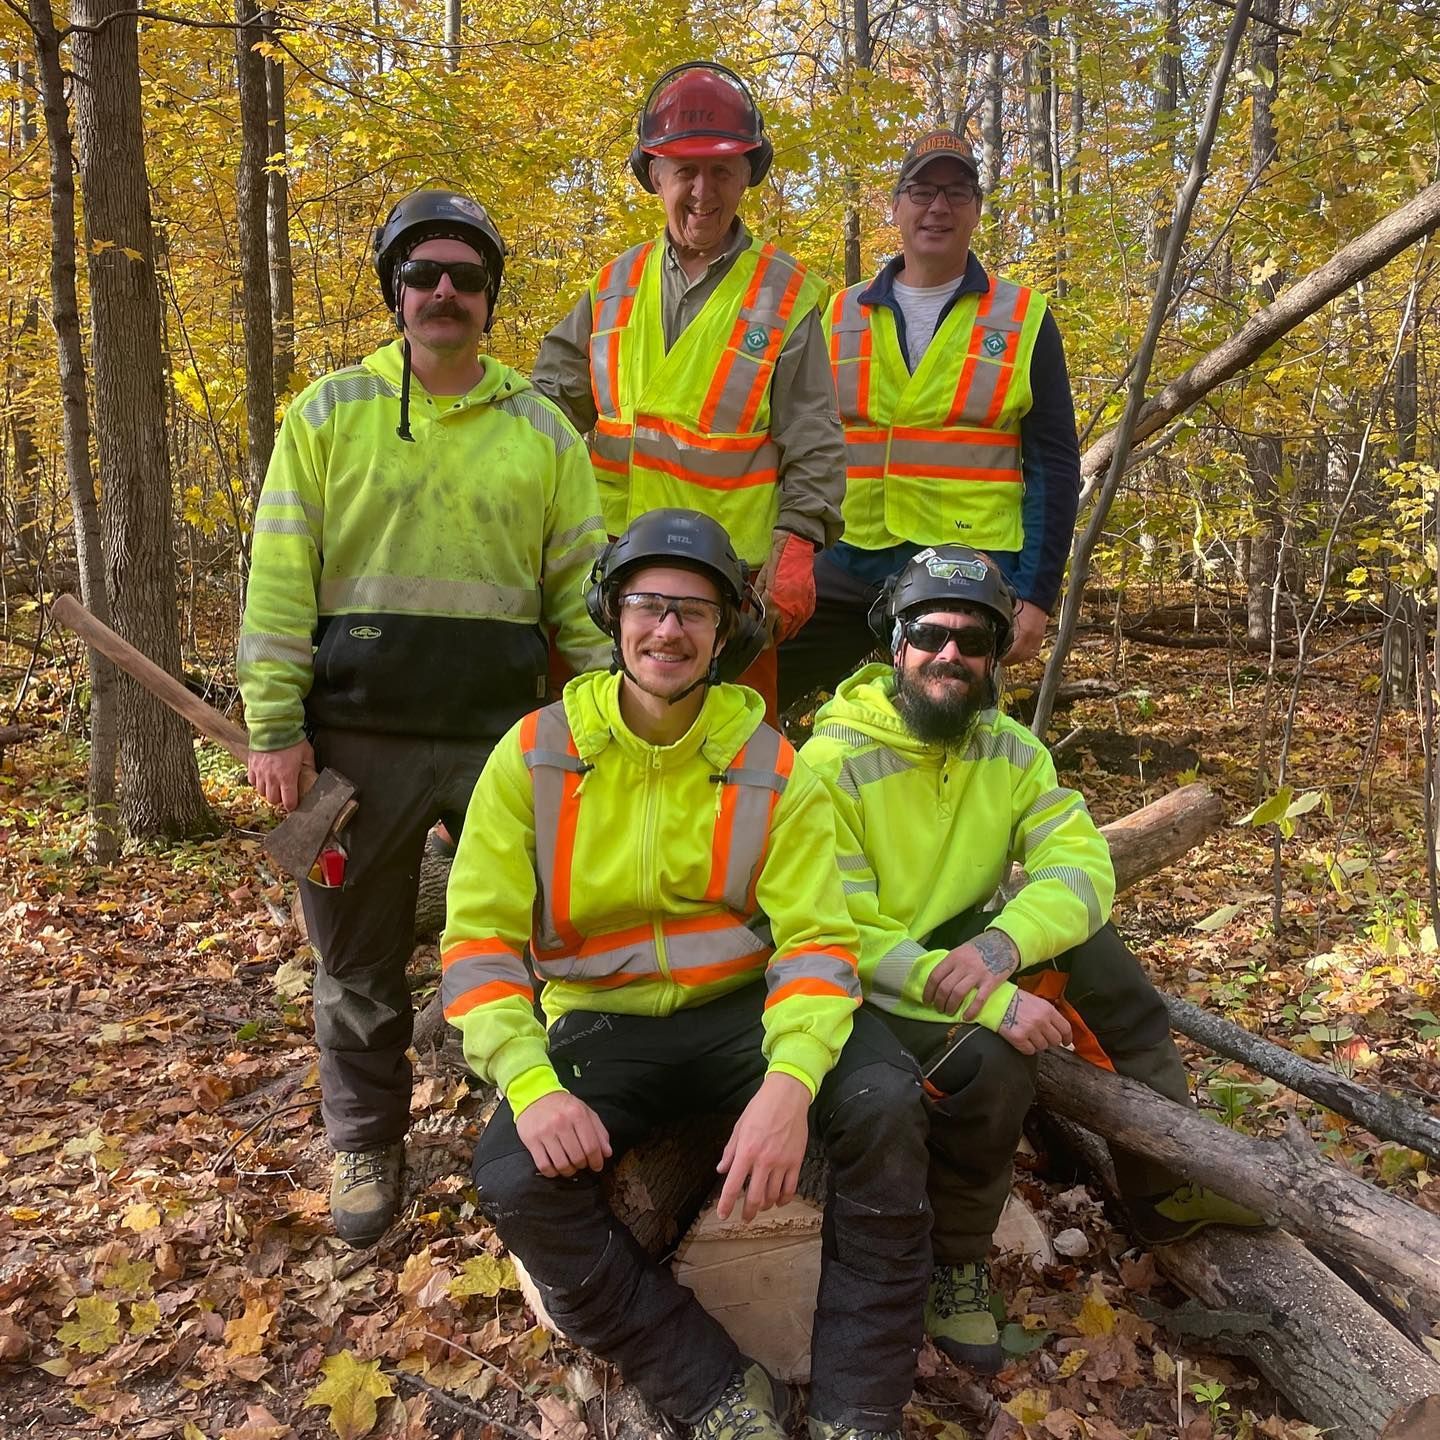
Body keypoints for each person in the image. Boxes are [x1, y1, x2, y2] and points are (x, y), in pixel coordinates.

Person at [442, 509, 932, 1440]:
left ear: (725, 632)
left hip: (744, 1013)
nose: (668, 629)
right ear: (612, 614)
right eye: (648, 606)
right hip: (602, 1023)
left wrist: (789, 1088)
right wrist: (530, 1080)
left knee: (883, 1100)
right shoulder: (536, 753)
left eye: (694, 613)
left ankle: (857, 1407)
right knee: (512, 1178)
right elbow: (477, 944)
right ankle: (707, 1386)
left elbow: (820, 944)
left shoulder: (771, 765)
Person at [238, 188, 609, 1247]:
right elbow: (277, 584)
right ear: (393, 289)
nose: (444, 292)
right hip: (355, 746)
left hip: (506, 741)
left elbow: (582, 598)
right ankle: (365, 1138)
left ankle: (531, 1122)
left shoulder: (541, 431)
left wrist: (592, 726)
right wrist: (275, 728)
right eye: (423, 274)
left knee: (533, 943)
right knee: (354, 961)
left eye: (466, 277)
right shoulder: (327, 415)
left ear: (490, 298)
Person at [799, 544, 1265, 1374]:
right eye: (932, 633)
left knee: (1102, 956)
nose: (952, 654)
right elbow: (839, 932)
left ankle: (1163, 1184)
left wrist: (1002, 946)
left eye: (974, 639)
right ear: (893, 644)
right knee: (993, 1067)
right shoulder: (830, 764)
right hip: (870, 984)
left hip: (964, 947)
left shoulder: (1012, 751)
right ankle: (958, 1266)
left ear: (996, 655)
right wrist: (991, 1002)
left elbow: (1082, 868)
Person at [532, 61, 846, 717]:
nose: (703, 190)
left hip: (728, 587)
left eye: (722, 171)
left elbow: (813, 440)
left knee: (729, 763)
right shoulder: (614, 284)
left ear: (747, 174)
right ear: (655, 175)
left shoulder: (785, 296)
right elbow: (543, 415)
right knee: (589, 747)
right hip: (609, 574)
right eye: (686, 171)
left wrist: (793, 555)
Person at [778, 129, 1082, 711]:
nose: (937, 207)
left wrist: (1037, 594)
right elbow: (799, 443)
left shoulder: (1022, 318)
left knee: (949, 731)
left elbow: (1054, 466)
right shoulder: (838, 315)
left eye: (956, 192)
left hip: (964, 568)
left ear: (976, 210)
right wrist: (790, 552)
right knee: (756, 680)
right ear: (895, 206)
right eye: (921, 191)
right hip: (846, 558)